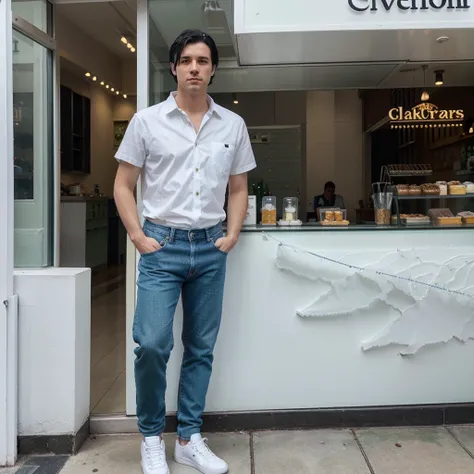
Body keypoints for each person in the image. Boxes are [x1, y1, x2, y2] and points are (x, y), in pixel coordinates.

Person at [113, 29, 256, 474]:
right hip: (162, 246)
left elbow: (238, 187)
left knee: (200, 347)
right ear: (174, 67)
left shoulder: (232, 124)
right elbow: (123, 184)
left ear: (213, 69)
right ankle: (152, 437)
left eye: (203, 60)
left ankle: (189, 438)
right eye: (187, 60)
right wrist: (138, 236)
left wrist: (231, 235)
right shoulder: (146, 121)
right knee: (153, 344)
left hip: (210, 247)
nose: (195, 67)